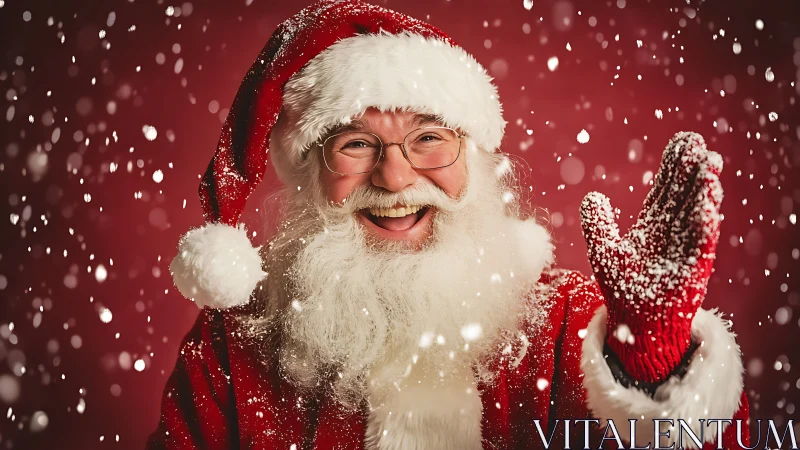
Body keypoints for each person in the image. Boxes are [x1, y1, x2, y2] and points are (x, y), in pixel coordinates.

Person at [147, 1, 750, 449]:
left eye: (429, 138)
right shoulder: (236, 343)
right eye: (356, 144)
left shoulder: (574, 320)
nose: (394, 176)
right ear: (309, 173)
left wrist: (655, 372)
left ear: (478, 160)